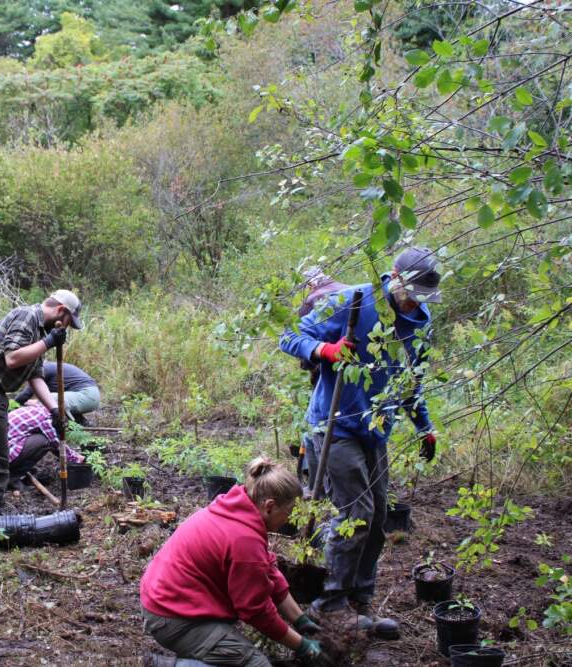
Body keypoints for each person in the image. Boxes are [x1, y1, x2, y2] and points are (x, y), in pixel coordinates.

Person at [279, 246, 442, 635]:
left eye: (421, 297)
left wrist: (424, 425)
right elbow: (290, 336)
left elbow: (410, 382)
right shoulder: (352, 301)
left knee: (379, 516)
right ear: (395, 277)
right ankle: (329, 602)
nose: (413, 302)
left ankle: (359, 600)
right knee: (355, 515)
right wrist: (325, 349)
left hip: (376, 430)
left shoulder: (420, 323)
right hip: (334, 427)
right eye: (410, 293)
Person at [139, 458, 330, 667]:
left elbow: (268, 569)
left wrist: (301, 621)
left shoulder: (238, 510)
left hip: (170, 601)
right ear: (269, 506)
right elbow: (256, 611)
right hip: (171, 616)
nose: (289, 520)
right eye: (289, 513)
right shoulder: (243, 540)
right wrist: (303, 647)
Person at [0, 290, 83, 519]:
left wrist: (54, 409)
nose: (65, 328)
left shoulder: (39, 332)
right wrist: (49, 342)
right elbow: (13, 358)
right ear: (61, 311)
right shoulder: (27, 316)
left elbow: (35, 376)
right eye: (68, 322)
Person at [295, 268, 347, 491]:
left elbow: (302, 342)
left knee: (318, 426)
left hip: (328, 363)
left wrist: (313, 363)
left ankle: (318, 487)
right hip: (348, 364)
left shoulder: (313, 301)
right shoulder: (345, 291)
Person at [7, 404, 84, 490]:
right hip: (3, 455)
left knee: (43, 440)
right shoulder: (47, 420)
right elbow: (56, 443)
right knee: (44, 442)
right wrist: (76, 458)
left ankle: (16, 470)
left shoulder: (40, 409)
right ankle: (12, 477)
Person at [13, 360, 100, 424]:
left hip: (87, 394)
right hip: (88, 395)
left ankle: (70, 425)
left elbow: (26, 395)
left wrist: (11, 408)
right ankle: (81, 423)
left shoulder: (43, 369)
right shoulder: (48, 368)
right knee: (52, 401)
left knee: (50, 401)